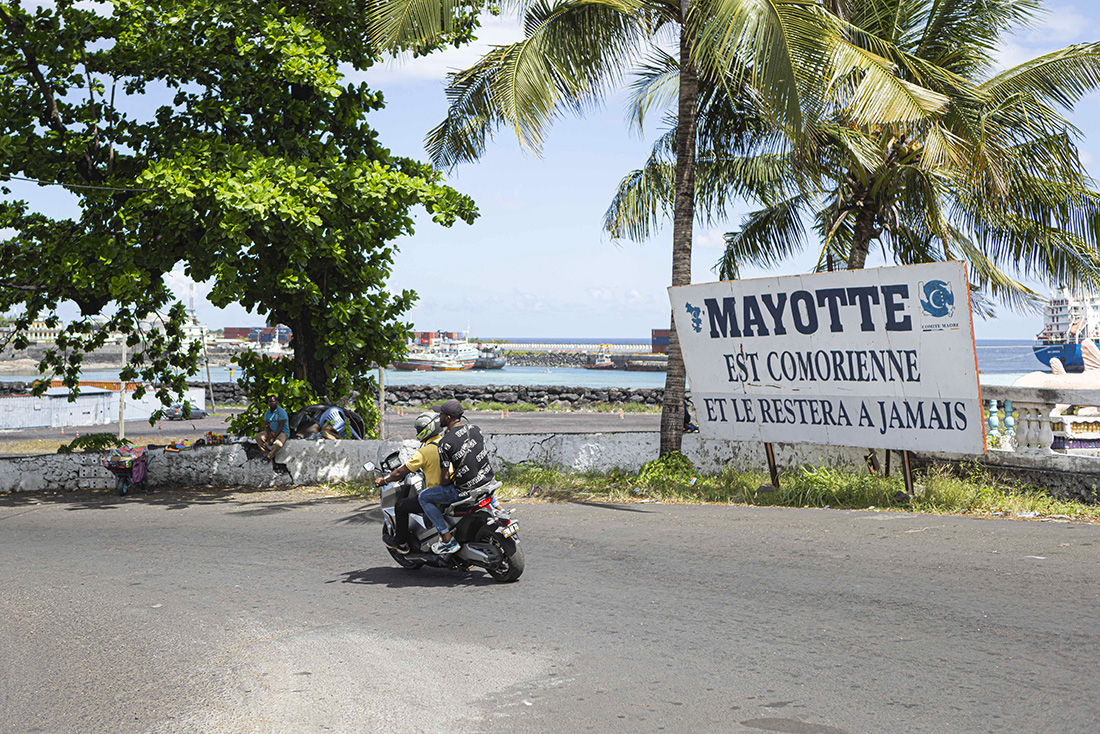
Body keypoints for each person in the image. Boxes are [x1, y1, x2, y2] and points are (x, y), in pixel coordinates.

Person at [419, 399, 495, 556]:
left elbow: (445, 478)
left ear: (447, 418)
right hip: (487, 480)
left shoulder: (445, 442)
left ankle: (447, 539)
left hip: (465, 491)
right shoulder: (476, 429)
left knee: (424, 497)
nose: (439, 417)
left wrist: (443, 482)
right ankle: (499, 510)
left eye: (440, 414)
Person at [374, 411, 447, 554]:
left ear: (426, 430)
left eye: (419, 429)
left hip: (436, 495)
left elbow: (400, 472)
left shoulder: (424, 452)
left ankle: (401, 543)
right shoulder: (446, 443)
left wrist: (384, 480)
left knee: (401, 506)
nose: (417, 432)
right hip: (451, 489)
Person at [255, 394, 289, 462]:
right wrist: (270, 435)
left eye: (273, 401)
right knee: (258, 437)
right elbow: (266, 425)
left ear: (276, 402)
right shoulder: (267, 413)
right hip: (272, 431)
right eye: (270, 401)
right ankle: (265, 453)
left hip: (282, 432)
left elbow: (281, 426)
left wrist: (273, 438)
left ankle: (269, 456)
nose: (271, 403)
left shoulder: (281, 412)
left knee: (278, 444)